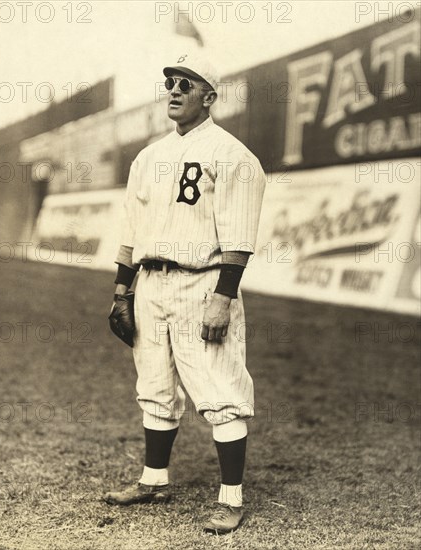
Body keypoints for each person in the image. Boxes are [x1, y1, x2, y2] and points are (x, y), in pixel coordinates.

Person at [104, 53, 266, 534]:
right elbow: (131, 229)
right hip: (150, 282)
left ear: (209, 97)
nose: (173, 90)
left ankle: (231, 498)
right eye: (170, 83)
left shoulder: (233, 155)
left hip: (203, 282)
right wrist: (121, 290)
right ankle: (154, 479)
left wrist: (224, 296)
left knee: (220, 388)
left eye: (185, 84)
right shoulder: (148, 156)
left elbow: (239, 237)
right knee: (154, 385)